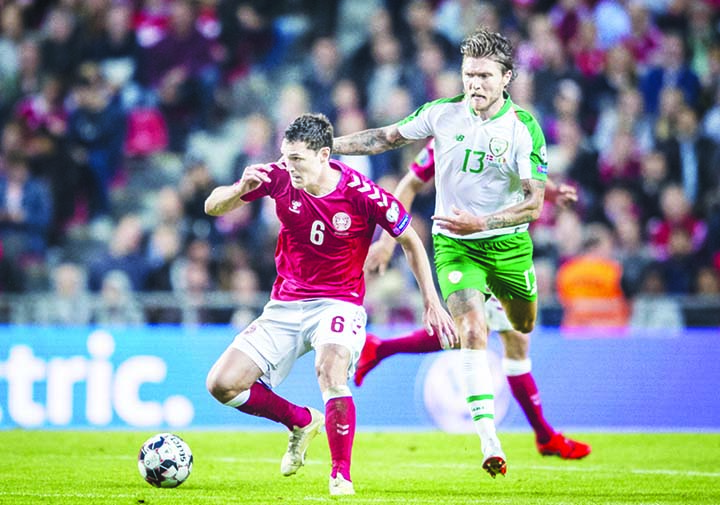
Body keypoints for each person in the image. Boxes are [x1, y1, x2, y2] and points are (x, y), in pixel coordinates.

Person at [332, 28, 550, 478]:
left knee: (521, 328)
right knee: (471, 328)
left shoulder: (522, 129)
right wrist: (328, 147)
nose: (476, 84)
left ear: (506, 78)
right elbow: (385, 138)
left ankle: (388, 348)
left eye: (486, 76)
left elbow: (535, 203)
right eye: (470, 74)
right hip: (454, 243)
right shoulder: (443, 116)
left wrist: (485, 222)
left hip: (507, 246)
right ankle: (489, 439)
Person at [204, 113, 456, 496]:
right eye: (285, 157)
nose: (289, 167)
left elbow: (412, 242)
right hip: (285, 305)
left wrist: (431, 303)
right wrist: (239, 189)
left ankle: (341, 475)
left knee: (330, 368)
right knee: (221, 384)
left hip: (339, 303)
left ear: (324, 155)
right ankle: (301, 421)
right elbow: (212, 206)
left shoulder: (361, 193)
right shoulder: (277, 176)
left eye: (298, 160)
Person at [359, 139, 591, 461]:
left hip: (504, 250)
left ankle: (380, 348)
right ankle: (536, 437)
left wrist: (549, 191)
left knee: (502, 339)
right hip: (467, 253)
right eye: (473, 84)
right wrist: (386, 242)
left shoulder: (511, 129)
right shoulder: (448, 132)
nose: (478, 88)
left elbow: (527, 171)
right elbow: (409, 183)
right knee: (481, 333)